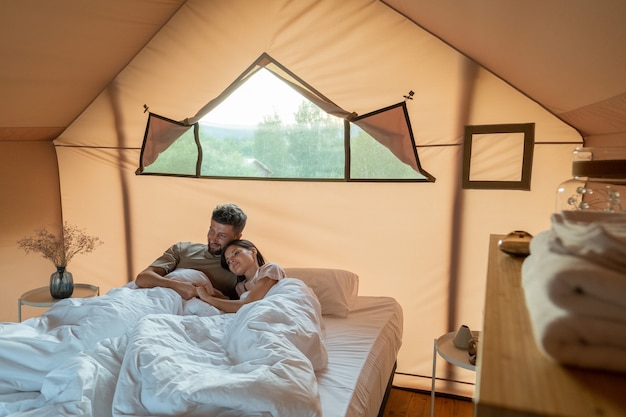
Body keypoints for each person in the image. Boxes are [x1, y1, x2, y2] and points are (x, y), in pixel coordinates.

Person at [135, 203, 247, 300]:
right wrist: (179, 286)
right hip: (156, 298)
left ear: (237, 237)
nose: (213, 239)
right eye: (211, 230)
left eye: (221, 235)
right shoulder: (182, 249)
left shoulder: (238, 267)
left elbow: (241, 304)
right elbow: (143, 278)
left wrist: (206, 294)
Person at [196, 239, 285, 313]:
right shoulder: (240, 287)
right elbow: (234, 306)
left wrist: (208, 298)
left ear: (253, 251)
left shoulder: (270, 268)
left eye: (236, 253)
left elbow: (247, 305)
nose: (232, 261)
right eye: (228, 262)